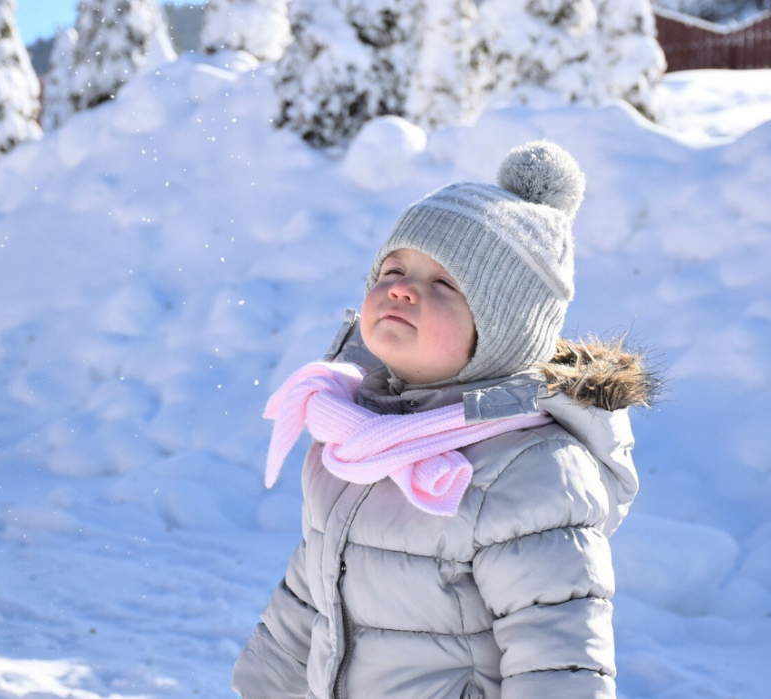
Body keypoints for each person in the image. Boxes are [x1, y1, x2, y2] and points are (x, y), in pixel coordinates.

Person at [232, 140, 657, 699]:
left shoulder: (530, 470)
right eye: (393, 268)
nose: (401, 288)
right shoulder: (356, 436)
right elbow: (312, 594)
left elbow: (558, 661)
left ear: (502, 332)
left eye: (445, 284)